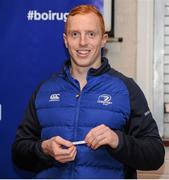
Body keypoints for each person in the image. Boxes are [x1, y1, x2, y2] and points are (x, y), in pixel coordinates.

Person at [12, 4, 165, 179]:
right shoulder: (45, 90)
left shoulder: (126, 89)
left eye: (91, 34)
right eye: (75, 34)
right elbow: (18, 153)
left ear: (103, 39)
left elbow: (155, 155)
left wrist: (117, 140)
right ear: (65, 40)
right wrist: (44, 149)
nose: (82, 42)